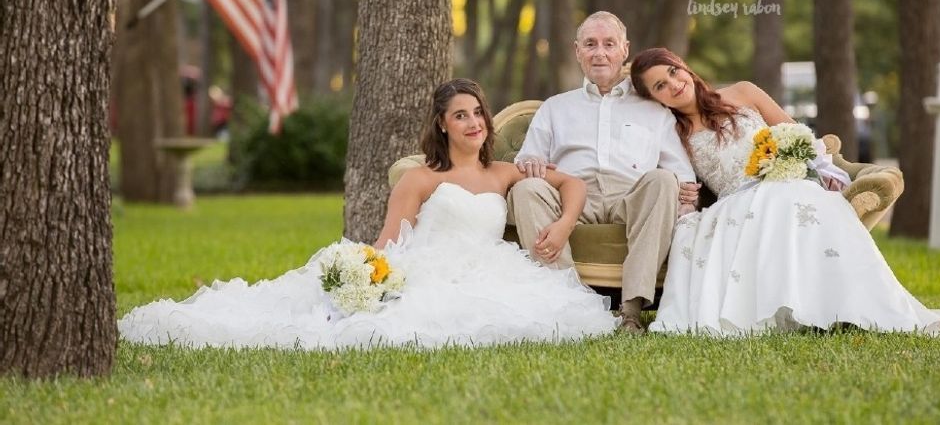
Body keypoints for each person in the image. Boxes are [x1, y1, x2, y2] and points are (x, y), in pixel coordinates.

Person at [119, 79, 618, 350]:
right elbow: (389, 242)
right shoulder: (420, 178)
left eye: (477, 113)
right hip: (431, 267)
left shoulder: (505, 172)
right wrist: (370, 277)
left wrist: (564, 222)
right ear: (442, 127)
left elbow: (571, 183)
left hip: (489, 266)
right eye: (459, 115)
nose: (473, 123)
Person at [629, 47, 940, 336]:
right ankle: (795, 313)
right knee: (771, 203)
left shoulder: (743, 93)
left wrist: (813, 167)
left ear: (684, 67)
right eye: (660, 86)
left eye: (673, 72)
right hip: (734, 199)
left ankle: (852, 306)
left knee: (805, 199)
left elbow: (798, 135)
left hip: (784, 180)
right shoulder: (673, 131)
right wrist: (686, 194)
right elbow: (683, 180)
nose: (674, 85)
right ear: (655, 98)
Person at [510, 11, 698, 334]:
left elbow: (681, 175)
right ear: (577, 51)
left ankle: (631, 312)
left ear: (624, 49)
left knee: (664, 180)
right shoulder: (556, 107)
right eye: (591, 44)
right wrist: (530, 163)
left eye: (609, 44)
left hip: (632, 199)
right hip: (571, 199)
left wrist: (684, 191)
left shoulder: (654, 109)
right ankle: (571, 302)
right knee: (525, 189)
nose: (600, 53)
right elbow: (528, 158)